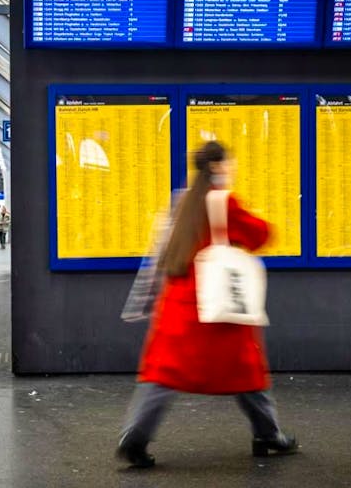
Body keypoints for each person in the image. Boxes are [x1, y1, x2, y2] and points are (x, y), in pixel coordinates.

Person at [117, 141, 297, 469]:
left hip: (178, 305)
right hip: (215, 306)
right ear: (215, 167)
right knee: (246, 372)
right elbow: (261, 234)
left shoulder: (181, 201)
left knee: (163, 373)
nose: (231, 168)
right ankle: (268, 434)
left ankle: (135, 437)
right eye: (228, 163)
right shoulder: (222, 202)